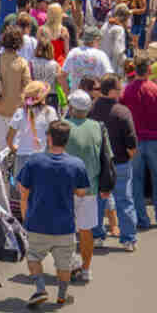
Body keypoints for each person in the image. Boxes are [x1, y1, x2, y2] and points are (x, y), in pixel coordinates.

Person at [18, 121, 90, 309]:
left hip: (36, 223)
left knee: (33, 257)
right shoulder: (76, 164)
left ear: (49, 138)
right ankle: (61, 295)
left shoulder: (34, 161)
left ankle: (41, 289)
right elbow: (82, 192)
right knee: (64, 264)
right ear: (67, 140)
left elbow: (22, 191)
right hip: (65, 225)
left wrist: (25, 218)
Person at [63, 91, 111, 284]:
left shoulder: (61, 126)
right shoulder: (98, 127)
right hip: (90, 187)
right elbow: (106, 157)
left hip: (63, 188)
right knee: (86, 230)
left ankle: (70, 264)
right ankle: (86, 268)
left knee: (65, 230)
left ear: (71, 107)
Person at [121, 56, 157, 231]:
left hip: (135, 141)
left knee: (136, 181)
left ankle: (141, 219)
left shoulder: (126, 91)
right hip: (156, 140)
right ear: (149, 71)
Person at [88, 74, 138, 251]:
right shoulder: (122, 111)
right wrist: (129, 156)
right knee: (124, 200)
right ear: (112, 91)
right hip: (120, 163)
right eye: (119, 88)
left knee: (97, 200)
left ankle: (97, 236)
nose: (121, 90)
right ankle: (128, 239)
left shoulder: (91, 109)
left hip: (97, 163)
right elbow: (131, 141)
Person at [0, 25, 32, 150]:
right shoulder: (22, 63)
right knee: (14, 145)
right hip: (15, 109)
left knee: (2, 145)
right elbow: (28, 87)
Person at [7, 80, 58, 177]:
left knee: (22, 189)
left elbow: (9, 138)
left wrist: (14, 149)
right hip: (42, 156)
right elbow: (54, 134)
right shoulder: (50, 112)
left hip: (22, 157)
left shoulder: (20, 112)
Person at [61, 25, 113, 91]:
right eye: (99, 40)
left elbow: (62, 76)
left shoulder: (73, 52)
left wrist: (67, 94)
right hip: (94, 96)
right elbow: (109, 77)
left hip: (75, 97)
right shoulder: (101, 55)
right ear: (96, 39)